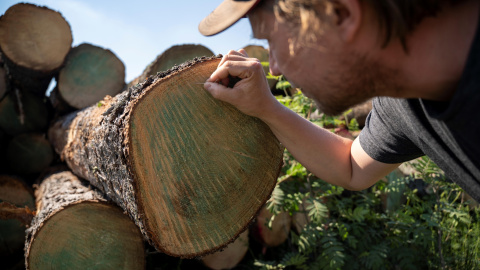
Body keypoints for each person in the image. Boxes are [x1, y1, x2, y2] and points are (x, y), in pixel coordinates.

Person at [198, 0, 480, 202]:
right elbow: (352, 167)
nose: (274, 69)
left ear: (342, 13)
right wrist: (265, 106)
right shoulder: (402, 103)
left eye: (272, 40)